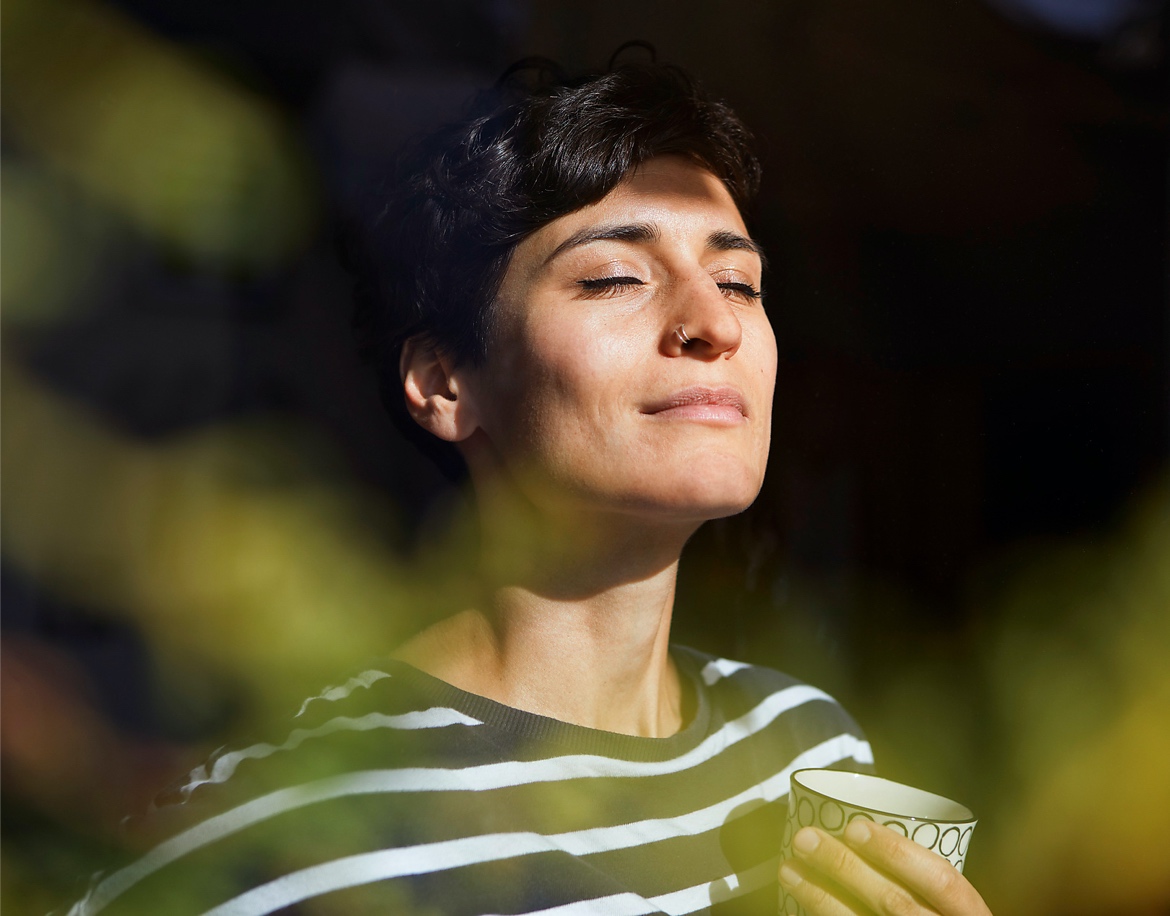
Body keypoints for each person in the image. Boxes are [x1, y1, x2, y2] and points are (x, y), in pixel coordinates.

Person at [67, 54, 991, 916]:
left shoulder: (811, 753)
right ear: (445, 384)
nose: (713, 322)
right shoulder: (281, 841)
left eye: (740, 282)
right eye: (615, 277)